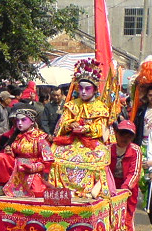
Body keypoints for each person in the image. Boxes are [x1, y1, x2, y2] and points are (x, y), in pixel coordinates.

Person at [48, 58, 111, 198]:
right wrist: (70, 125)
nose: (83, 91)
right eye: (80, 88)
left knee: (98, 156)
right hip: (72, 140)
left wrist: (87, 129)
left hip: (92, 142)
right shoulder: (71, 105)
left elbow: (103, 130)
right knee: (56, 154)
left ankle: (89, 190)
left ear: (94, 90)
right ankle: (62, 190)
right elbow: (61, 126)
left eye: (87, 88)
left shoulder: (100, 108)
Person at [0, 107, 53, 197]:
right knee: (1, 157)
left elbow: (48, 159)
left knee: (36, 192)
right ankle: (2, 185)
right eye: (17, 121)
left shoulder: (41, 137)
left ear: (32, 122)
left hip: (32, 168)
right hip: (17, 166)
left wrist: (34, 167)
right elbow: (14, 154)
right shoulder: (17, 136)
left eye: (23, 120)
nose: (19, 123)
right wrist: (10, 153)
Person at [109, 120, 142, 231]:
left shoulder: (136, 151)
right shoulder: (108, 149)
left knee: (127, 223)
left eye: (128, 135)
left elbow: (134, 174)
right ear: (116, 133)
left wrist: (124, 190)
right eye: (122, 133)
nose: (124, 138)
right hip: (109, 190)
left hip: (127, 193)